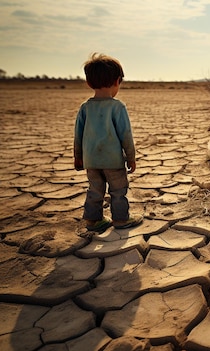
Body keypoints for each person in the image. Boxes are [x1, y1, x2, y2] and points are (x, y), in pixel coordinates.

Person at [74, 53, 143, 231]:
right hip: (113, 161)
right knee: (118, 191)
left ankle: (93, 220)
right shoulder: (117, 106)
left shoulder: (85, 107)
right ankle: (121, 219)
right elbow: (125, 134)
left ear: (89, 83)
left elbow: (78, 135)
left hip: (91, 160)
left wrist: (78, 157)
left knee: (94, 190)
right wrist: (131, 157)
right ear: (117, 81)